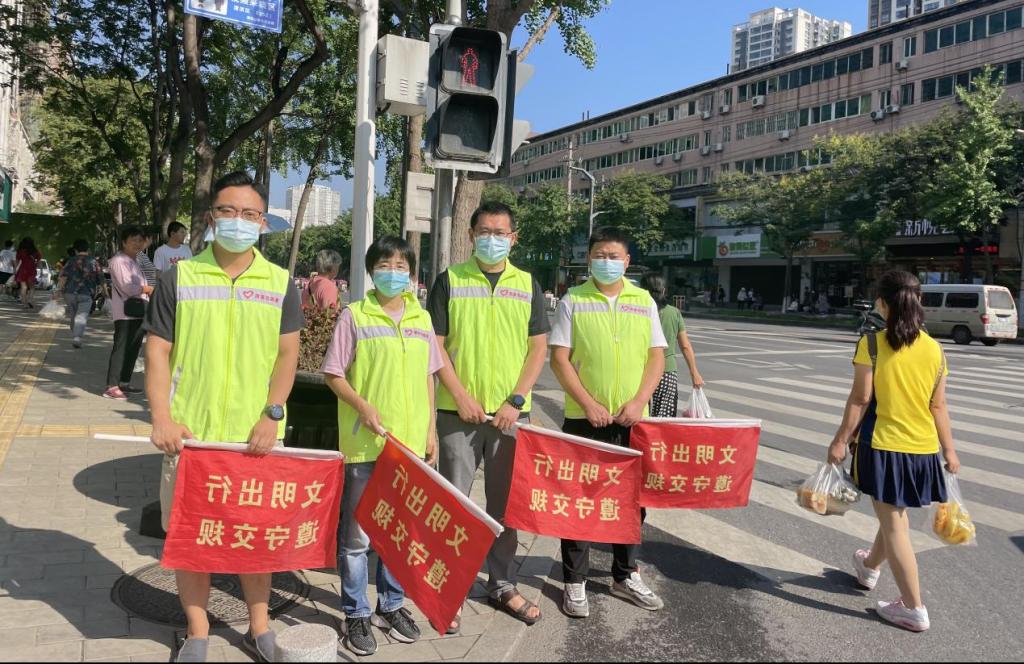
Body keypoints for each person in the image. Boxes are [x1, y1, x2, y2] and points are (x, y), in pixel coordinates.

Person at [145, 171, 303, 663]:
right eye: (228, 211)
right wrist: (162, 417)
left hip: (255, 438)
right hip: (191, 438)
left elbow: (287, 356)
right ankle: (197, 632)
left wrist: (272, 414)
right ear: (212, 216)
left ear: (263, 222)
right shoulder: (181, 277)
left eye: (249, 214)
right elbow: (157, 352)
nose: (238, 221)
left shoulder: (280, 283)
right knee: (191, 539)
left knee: (255, 538)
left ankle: (260, 627)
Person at [428, 201, 549, 631]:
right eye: (484, 232)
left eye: (500, 233)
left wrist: (516, 400)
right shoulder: (450, 280)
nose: (492, 239)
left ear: (514, 238)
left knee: (506, 508)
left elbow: (538, 348)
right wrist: (460, 396)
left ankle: (502, 583)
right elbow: (436, 344)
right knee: (455, 506)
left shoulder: (528, 283)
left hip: (510, 416)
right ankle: (452, 586)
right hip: (457, 414)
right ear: (471, 235)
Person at [322, 236, 441, 656]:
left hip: (409, 446)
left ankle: (390, 605)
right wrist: (363, 406)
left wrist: (430, 430)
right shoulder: (354, 315)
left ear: (411, 273)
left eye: (401, 266)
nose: (394, 273)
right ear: (371, 271)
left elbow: (429, 377)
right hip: (366, 444)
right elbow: (333, 374)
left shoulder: (422, 318)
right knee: (357, 538)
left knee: (399, 533)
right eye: (385, 265)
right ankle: (355, 611)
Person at [827, 270, 957, 633]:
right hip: (924, 451)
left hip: (884, 447)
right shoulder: (935, 349)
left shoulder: (872, 344)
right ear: (919, 301)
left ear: (882, 303)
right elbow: (938, 406)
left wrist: (839, 440)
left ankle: (914, 608)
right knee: (895, 518)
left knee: (896, 526)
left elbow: (860, 399)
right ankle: (869, 566)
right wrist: (950, 451)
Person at [550, 226, 667, 618]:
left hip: (632, 421)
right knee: (580, 501)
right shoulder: (574, 300)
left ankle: (625, 574)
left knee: (631, 502)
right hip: (585, 420)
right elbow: (559, 359)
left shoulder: (643, 300)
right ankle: (574, 580)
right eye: (599, 255)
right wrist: (588, 403)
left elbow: (656, 357)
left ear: (627, 261)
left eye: (614, 256)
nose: (606, 262)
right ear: (589, 259)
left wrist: (639, 401)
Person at [641, 274, 704, 417]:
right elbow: (685, 346)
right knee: (664, 417)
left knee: (640, 416)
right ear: (664, 290)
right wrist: (694, 374)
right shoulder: (673, 313)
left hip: (641, 372)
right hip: (667, 372)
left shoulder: (637, 312)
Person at [103, 226, 153, 400]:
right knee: (121, 347)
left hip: (138, 310)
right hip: (125, 312)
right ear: (124, 242)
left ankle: (124, 382)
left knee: (133, 348)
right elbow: (127, 287)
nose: (137, 244)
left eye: (140, 240)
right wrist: (146, 289)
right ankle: (112, 386)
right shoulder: (119, 261)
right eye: (133, 240)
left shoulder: (134, 261)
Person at [57, 239, 105, 348]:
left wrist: (58, 291)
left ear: (75, 250)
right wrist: (105, 293)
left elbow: (63, 277)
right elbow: (101, 280)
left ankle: (75, 333)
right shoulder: (94, 262)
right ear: (88, 249)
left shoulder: (70, 261)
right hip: (86, 294)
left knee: (74, 314)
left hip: (69, 293)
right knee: (81, 315)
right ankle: (77, 337)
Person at [14, 237, 41, 309]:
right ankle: (30, 300)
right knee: (32, 287)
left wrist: (15, 270)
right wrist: (40, 270)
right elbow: (38, 262)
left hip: (22, 270)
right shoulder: (36, 251)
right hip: (32, 270)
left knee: (24, 287)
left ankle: (24, 304)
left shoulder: (20, 251)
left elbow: (17, 261)